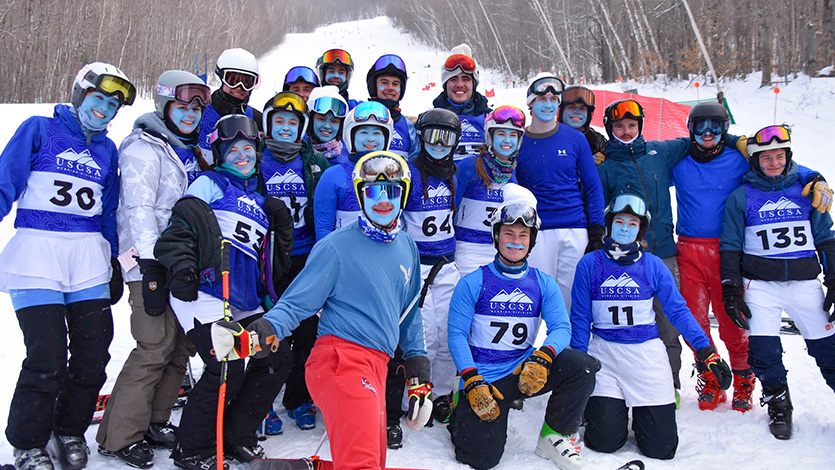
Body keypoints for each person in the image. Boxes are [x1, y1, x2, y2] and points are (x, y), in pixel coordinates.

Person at [212, 151, 433, 470]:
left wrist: (418, 373)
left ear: (403, 195)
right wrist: (260, 333)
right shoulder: (335, 247)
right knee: (362, 463)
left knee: (372, 458)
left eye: (392, 192)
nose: (382, 201)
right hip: (341, 361)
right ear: (360, 195)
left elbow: (410, 312)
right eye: (373, 192)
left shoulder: (406, 247)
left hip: (377, 365)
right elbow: (295, 302)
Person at [0, 62, 135, 470]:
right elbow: (5, 181)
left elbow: (107, 209)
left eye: (113, 105)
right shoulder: (40, 129)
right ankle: (28, 443)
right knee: (47, 357)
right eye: (98, 98)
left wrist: (113, 259)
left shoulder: (107, 149)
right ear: (79, 94)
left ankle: (70, 428)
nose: (105, 109)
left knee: (94, 355)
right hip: (38, 254)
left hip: (87, 257)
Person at [155, 115, 293, 470]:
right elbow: (183, 225)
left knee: (276, 358)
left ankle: (236, 433)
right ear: (219, 153)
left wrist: (283, 228)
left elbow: (269, 262)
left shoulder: (261, 198)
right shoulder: (210, 183)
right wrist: (183, 267)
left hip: (245, 298)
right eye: (234, 151)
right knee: (225, 366)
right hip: (208, 292)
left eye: (249, 149)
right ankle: (193, 449)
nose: (243, 156)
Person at [95, 70, 210, 468]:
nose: (191, 115)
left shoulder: (190, 150)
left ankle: (155, 421)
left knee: (181, 346)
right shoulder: (144, 148)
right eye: (182, 106)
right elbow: (138, 210)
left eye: (197, 108)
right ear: (164, 105)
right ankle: (118, 436)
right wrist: (150, 264)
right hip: (150, 265)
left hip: (183, 265)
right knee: (154, 346)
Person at [571, 193, 732, 460]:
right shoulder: (590, 264)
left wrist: (706, 351)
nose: (624, 228)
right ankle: (607, 410)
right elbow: (579, 317)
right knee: (604, 442)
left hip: (646, 355)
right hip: (605, 355)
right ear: (609, 224)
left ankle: (644, 414)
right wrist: (578, 361)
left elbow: (678, 311)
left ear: (640, 229)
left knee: (661, 448)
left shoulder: (653, 265)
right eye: (619, 221)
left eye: (632, 223)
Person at [447, 197, 599, 470]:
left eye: (523, 235)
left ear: (532, 240)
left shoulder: (543, 283)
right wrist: (470, 378)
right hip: (484, 377)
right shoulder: (472, 282)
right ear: (496, 236)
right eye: (508, 233)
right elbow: (457, 334)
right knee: (481, 459)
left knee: (582, 366)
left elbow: (562, 328)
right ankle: (462, 409)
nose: (515, 241)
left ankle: (553, 435)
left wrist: (543, 357)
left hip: (525, 370)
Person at [719, 125, 835, 440]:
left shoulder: (807, 190)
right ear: (755, 161)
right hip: (761, 285)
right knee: (763, 349)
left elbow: (826, 238)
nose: (773, 163)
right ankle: (778, 401)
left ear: (788, 156)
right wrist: (730, 288)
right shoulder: (741, 197)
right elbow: (730, 245)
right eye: (766, 157)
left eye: (779, 156)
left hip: (804, 283)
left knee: (828, 348)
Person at [259, 91, 330, 430]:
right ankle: (260, 402)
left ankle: (298, 397)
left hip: (306, 256)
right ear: (268, 125)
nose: (285, 128)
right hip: (269, 260)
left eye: (292, 122)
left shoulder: (314, 161)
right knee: (271, 329)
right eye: (279, 122)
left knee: (307, 331)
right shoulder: (255, 159)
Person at [517, 73, 606, 312]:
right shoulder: (518, 140)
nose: (548, 103)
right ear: (531, 104)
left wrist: (596, 229)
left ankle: (571, 349)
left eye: (553, 99)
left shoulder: (575, 138)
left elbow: (593, 187)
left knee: (573, 301)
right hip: (538, 230)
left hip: (574, 230)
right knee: (535, 298)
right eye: (541, 98)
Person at [398, 108, 461, 435]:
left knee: (449, 332)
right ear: (420, 137)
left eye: (446, 137)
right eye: (431, 136)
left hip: (447, 263)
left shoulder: (456, 173)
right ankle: (416, 389)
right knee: (422, 333)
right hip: (417, 265)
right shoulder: (409, 172)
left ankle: (441, 392)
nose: (438, 143)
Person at [453, 106, 525, 276]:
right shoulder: (469, 166)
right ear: (489, 136)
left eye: (513, 135)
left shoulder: (512, 170)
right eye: (501, 134)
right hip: (468, 250)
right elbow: (450, 207)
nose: (507, 140)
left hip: (499, 250)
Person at [313, 101, 394, 240]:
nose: (370, 139)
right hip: (345, 256)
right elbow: (323, 229)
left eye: (377, 133)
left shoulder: (396, 174)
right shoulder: (333, 176)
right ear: (350, 135)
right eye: (363, 132)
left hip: (382, 255)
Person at [199, 48, 262, 156]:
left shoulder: (258, 120)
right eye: (233, 80)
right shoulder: (199, 113)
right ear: (220, 77)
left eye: (247, 82)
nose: (239, 88)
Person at [432, 44, 491, 160]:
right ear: (445, 85)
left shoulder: (490, 119)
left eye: (466, 79)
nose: (459, 85)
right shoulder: (431, 119)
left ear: (473, 85)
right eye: (453, 79)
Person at [366, 53, 418, 160]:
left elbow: (415, 164)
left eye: (395, 84)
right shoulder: (360, 119)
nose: (390, 88)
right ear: (374, 86)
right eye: (384, 83)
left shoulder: (407, 127)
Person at [558, 85, 607, 159]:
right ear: (561, 111)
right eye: (572, 107)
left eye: (582, 109)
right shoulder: (549, 136)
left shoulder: (596, 141)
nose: (577, 112)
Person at [306, 85, 348, 165]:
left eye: (334, 121)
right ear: (310, 121)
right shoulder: (299, 155)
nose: (327, 126)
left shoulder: (347, 159)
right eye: (321, 119)